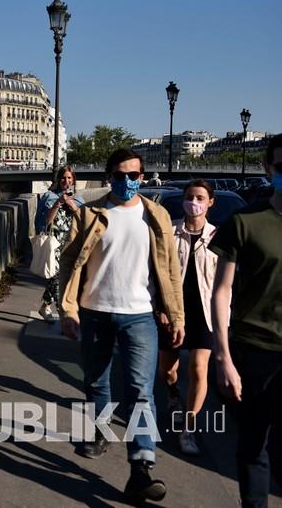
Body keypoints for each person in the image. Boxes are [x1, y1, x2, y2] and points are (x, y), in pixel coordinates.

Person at [59, 148, 185, 504]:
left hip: (140, 315)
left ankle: (141, 468)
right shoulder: (91, 214)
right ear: (108, 176)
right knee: (96, 381)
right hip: (94, 311)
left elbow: (170, 271)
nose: (127, 181)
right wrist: (67, 310)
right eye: (119, 175)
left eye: (133, 176)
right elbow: (69, 262)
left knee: (140, 390)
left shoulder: (156, 215)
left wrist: (176, 316)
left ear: (142, 177)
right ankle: (100, 432)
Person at [209, 134, 282, 508]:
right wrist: (223, 357)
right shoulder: (245, 222)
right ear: (268, 168)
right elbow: (221, 291)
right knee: (254, 445)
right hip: (255, 349)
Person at [157, 179, 224, 456]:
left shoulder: (219, 236)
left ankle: (189, 429)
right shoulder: (169, 231)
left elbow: (226, 282)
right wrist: (160, 308)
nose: (193, 202)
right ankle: (173, 396)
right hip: (173, 311)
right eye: (189, 196)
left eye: (199, 197)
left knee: (198, 368)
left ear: (210, 202)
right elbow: (156, 272)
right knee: (168, 370)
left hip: (205, 314)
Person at [34, 166, 84, 321]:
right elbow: (44, 222)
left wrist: (74, 207)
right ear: (58, 180)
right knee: (56, 278)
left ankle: (45, 306)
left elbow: (83, 222)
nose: (66, 181)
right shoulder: (49, 196)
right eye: (63, 178)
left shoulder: (78, 199)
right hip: (53, 243)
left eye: (69, 178)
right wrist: (58, 203)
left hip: (70, 243)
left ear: (73, 180)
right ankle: (64, 316)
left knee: (63, 278)